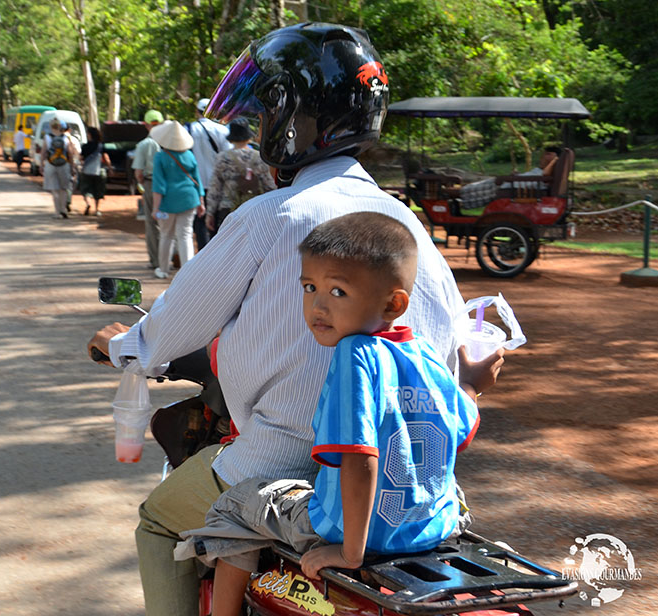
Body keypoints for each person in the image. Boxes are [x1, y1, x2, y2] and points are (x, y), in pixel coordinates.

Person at [87, 23, 466, 616]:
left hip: (281, 465)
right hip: (407, 485)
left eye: (267, 111)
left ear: (293, 117)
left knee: (157, 524)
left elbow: (172, 326)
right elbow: (450, 350)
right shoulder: (407, 227)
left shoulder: (271, 215)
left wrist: (122, 345)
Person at [174, 212, 504, 616]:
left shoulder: (355, 356)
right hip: (429, 530)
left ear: (393, 303)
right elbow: (461, 431)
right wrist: (471, 384)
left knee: (236, 502)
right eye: (310, 287)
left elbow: (359, 458)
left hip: (357, 534)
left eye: (338, 292)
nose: (318, 305)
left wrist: (350, 552)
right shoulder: (426, 356)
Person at [149, 120, 205, 279]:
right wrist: (201, 201)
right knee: (185, 235)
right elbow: (197, 179)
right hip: (190, 199)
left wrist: (156, 208)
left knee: (166, 235)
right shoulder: (189, 155)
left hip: (167, 203)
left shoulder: (160, 157)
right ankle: (188, 273)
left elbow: (159, 185)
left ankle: (163, 270)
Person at [205, 117, 275, 235]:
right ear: (248, 137)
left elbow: (215, 188)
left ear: (231, 139)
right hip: (253, 208)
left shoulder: (222, 158)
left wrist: (210, 213)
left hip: (228, 209)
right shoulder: (258, 157)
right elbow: (268, 185)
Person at [454, 146, 562, 208]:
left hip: (508, 187)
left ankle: (446, 192)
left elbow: (545, 175)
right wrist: (516, 176)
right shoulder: (540, 170)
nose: (543, 157)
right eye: (544, 154)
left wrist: (555, 160)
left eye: (548, 154)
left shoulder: (546, 172)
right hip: (508, 183)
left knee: (467, 190)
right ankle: (450, 194)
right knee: (470, 188)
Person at [187, 97, 231, 249]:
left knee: (199, 222)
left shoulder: (189, 129)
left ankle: (202, 253)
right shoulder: (224, 130)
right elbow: (228, 156)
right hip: (218, 183)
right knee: (217, 221)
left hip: (196, 183)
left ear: (197, 112)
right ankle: (215, 254)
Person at [132, 109, 164, 269]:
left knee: (152, 223)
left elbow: (138, 173)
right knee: (170, 223)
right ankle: (170, 259)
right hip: (171, 186)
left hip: (151, 184)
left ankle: (156, 261)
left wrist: (142, 183)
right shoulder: (170, 142)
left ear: (146, 125)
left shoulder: (143, 145)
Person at [42, 119, 77, 219]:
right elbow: (70, 153)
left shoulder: (47, 137)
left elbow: (43, 152)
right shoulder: (66, 138)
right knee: (64, 189)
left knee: (55, 190)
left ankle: (57, 212)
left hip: (51, 165)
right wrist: (72, 166)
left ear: (51, 126)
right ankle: (63, 209)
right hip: (64, 164)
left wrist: (41, 164)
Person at [80, 126, 108, 216]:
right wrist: (110, 168)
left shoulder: (85, 146)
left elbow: (81, 158)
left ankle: (88, 204)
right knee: (98, 190)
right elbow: (106, 158)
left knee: (86, 189)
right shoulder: (101, 146)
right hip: (98, 171)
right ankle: (97, 210)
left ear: (89, 135)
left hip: (87, 171)